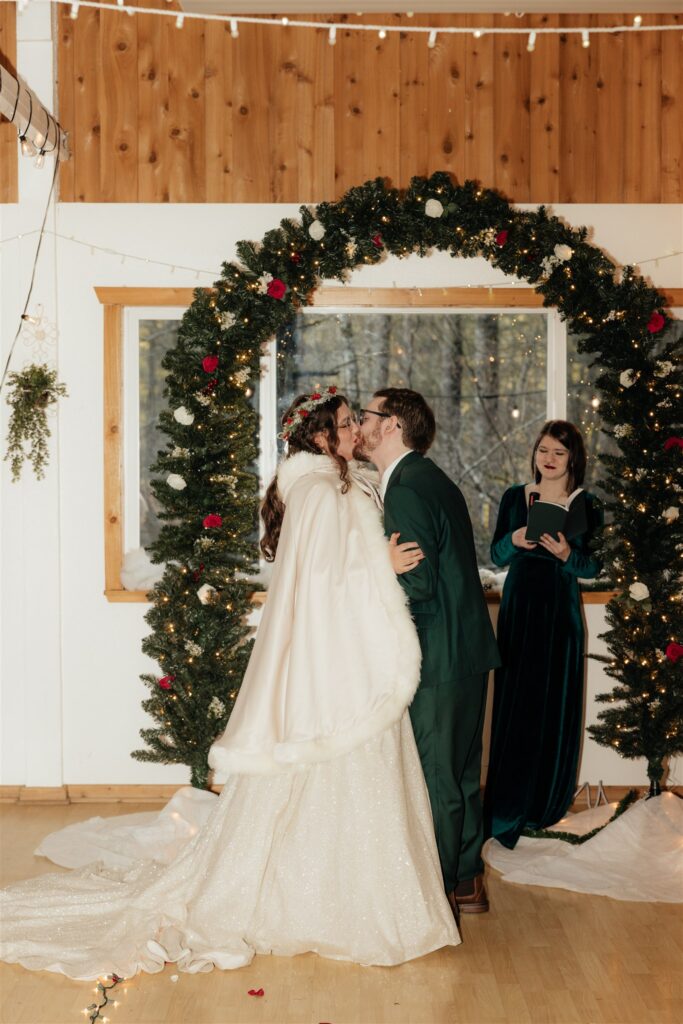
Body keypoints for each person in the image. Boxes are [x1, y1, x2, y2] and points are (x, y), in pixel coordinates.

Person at [0, 389, 459, 980]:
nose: (355, 432)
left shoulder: (338, 482)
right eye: (346, 424)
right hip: (338, 666)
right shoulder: (319, 491)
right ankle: (322, 904)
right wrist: (383, 566)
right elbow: (320, 583)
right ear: (320, 435)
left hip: (354, 656)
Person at [358, 388, 501, 918]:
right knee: (461, 775)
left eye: (368, 415)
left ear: (392, 424)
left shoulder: (408, 489)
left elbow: (414, 584)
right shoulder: (431, 478)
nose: (361, 424)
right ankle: (466, 882)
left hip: (439, 655)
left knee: (438, 779)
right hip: (466, 649)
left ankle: (434, 896)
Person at [484, 420, 603, 849]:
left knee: (554, 704)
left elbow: (593, 567)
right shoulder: (515, 497)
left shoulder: (586, 504)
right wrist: (516, 538)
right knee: (517, 703)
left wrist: (569, 554)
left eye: (558, 453)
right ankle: (508, 805)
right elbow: (495, 555)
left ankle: (545, 805)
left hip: (560, 613)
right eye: (543, 451)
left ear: (573, 459)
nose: (548, 460)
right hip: (520, 607)